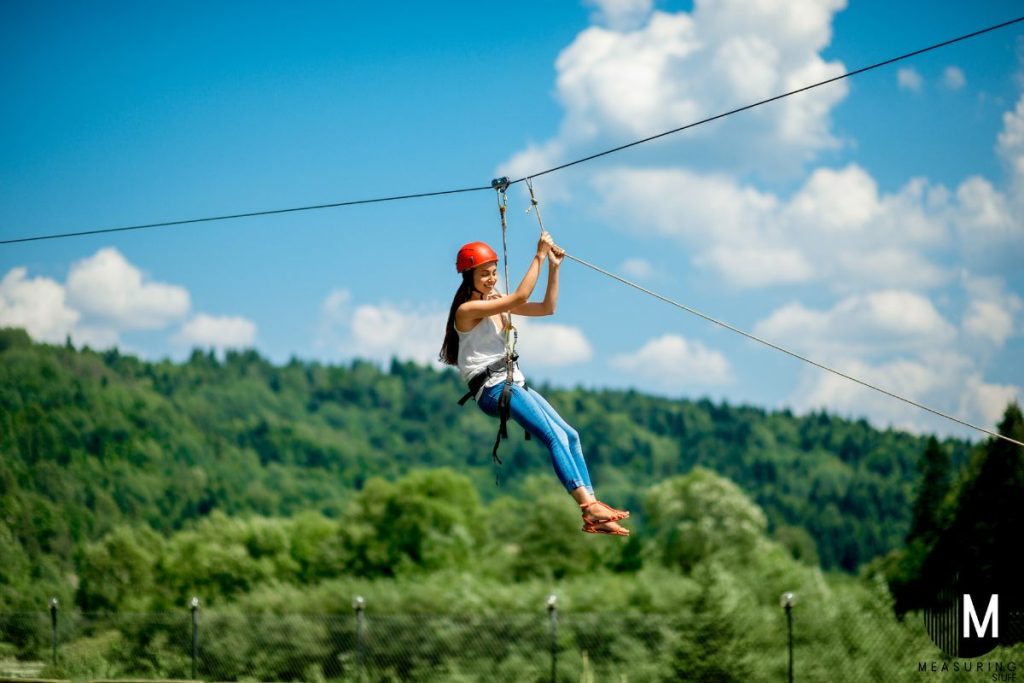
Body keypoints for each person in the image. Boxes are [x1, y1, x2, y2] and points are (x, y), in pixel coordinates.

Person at [439, 231, 630, 536]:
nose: (491, 279)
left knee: (570, 435)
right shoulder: (467, 311)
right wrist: (538, 255)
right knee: (552, 437)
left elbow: (546, 308)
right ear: (468, 277)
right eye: (484, 274)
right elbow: (520, 297)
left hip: (511, 382)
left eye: (493, 272)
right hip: (493, 388)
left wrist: (553, 267)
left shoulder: (496, 302)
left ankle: (594, 508)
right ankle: (587, 506)